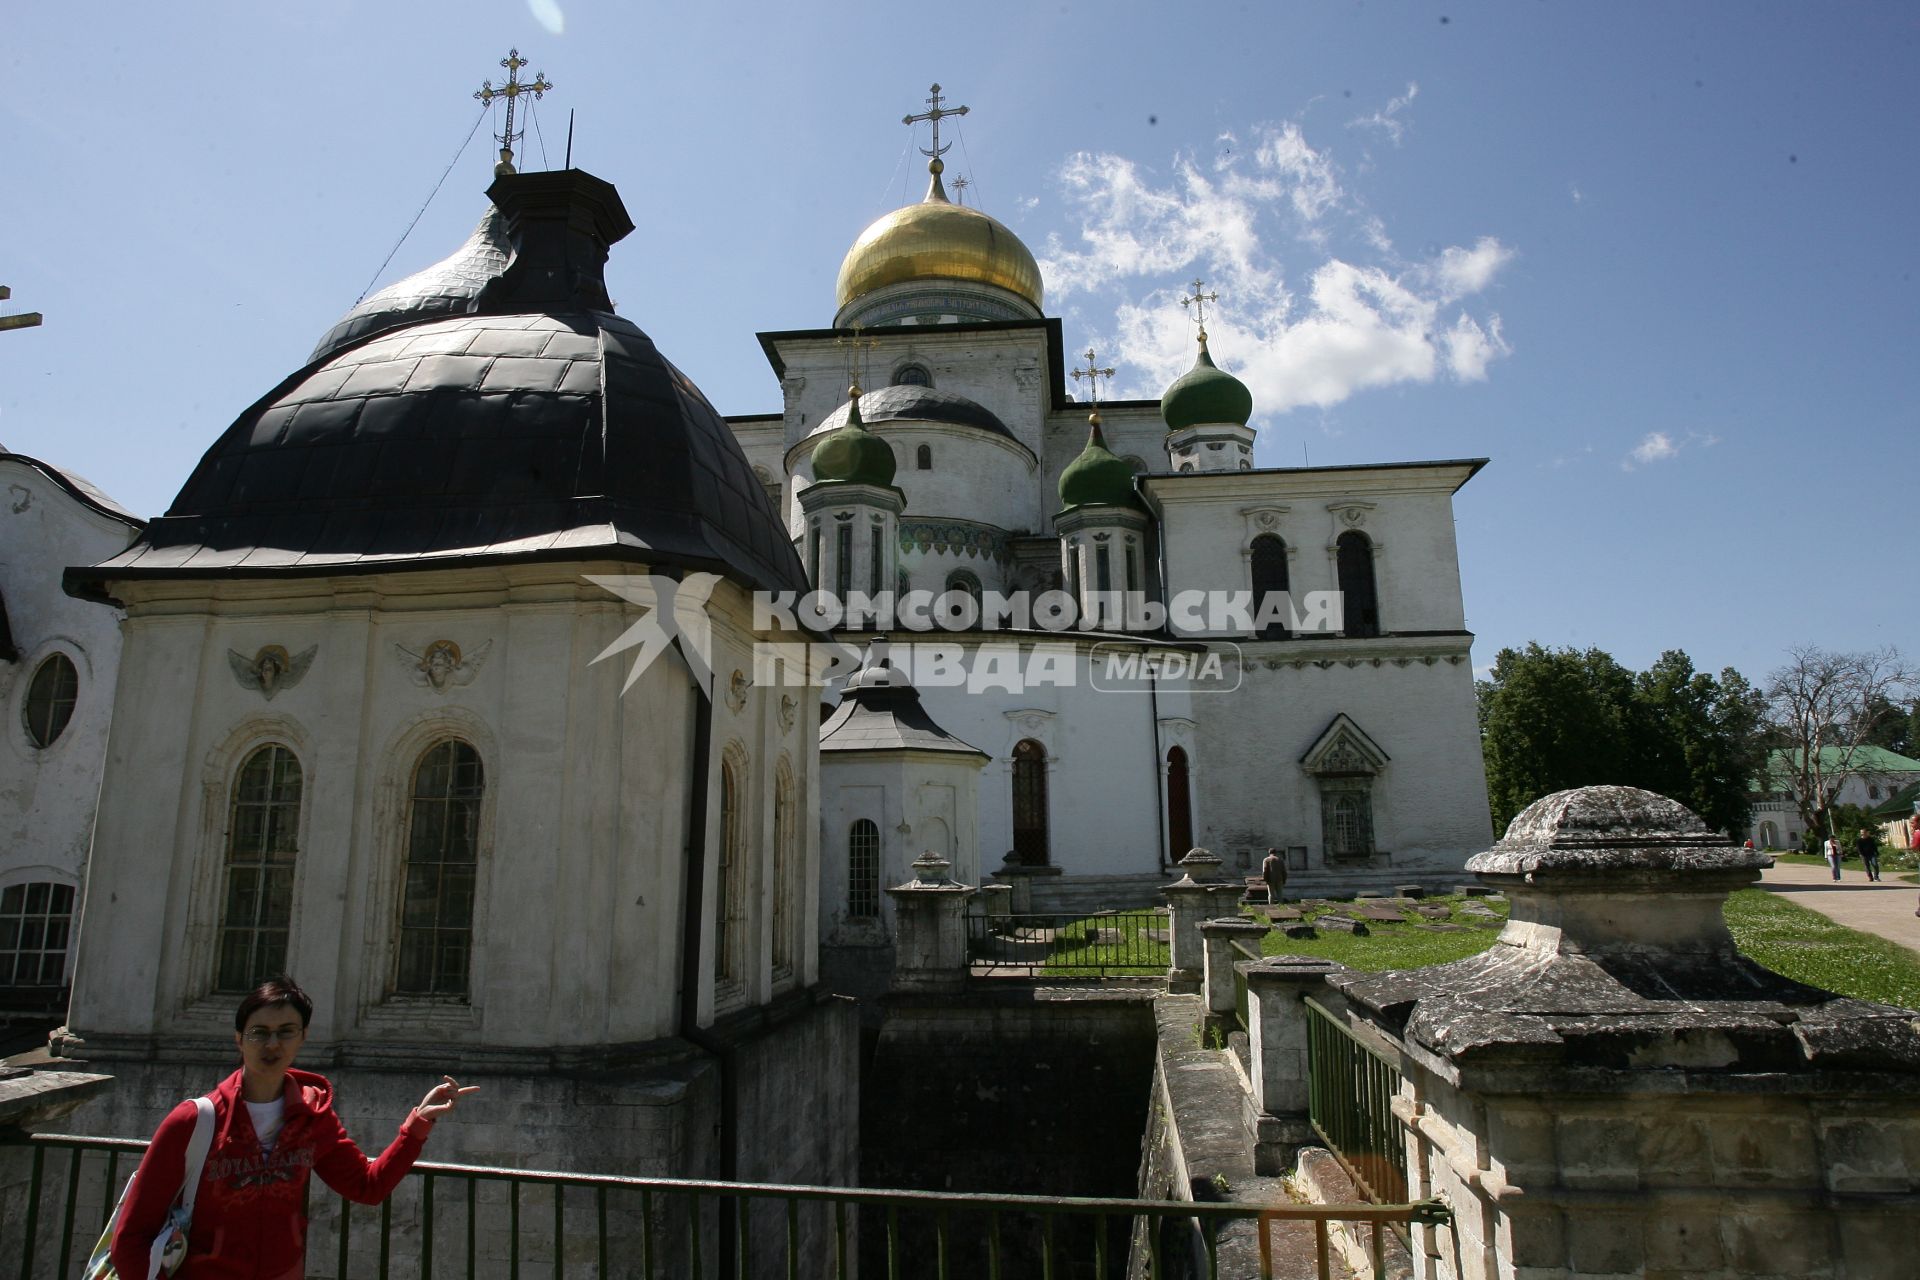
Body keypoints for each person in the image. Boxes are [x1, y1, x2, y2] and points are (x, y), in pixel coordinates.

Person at [110, 976, 477, 1279]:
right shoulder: (193, 1121)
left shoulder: (313, 1117)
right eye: (259, 1033)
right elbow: (131, 1237)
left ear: (303, 1037)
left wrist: (418, 1124)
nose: (272, 1044)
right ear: (239, 1039)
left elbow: (368, 1186)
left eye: (286, 1031)